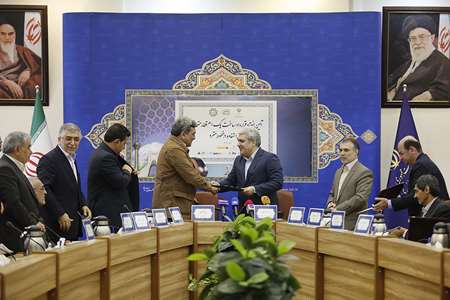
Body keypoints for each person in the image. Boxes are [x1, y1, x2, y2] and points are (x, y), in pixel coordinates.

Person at [152, 117, 219, 220]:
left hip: (174, 205)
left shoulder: (174, 146)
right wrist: (209, 187)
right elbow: (190, 175)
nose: (194, 138)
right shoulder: (174, 149)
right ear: (183, 134)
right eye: (193, 134)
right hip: (171, 206)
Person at [37, 123, 92, 241]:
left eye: (76, 139)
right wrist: (60, 213)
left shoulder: (71, 158)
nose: (72, 143)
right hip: (56, 224)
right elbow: (45, 190)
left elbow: (74, 186)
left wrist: (83, 204)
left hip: (72, 222)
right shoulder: (48, 160)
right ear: (59, 139)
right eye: (68, 138)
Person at [374, 136, 449, 217]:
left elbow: (416, 196)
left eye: (401, 153)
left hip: (436, 216)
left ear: (412, 150)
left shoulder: (421, 165)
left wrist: (389, 203)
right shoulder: (422, 162)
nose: (400, 158)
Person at [88, 124, 139, 229]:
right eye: (124, 144)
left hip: (111, 213)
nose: (124, 147)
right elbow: (121, 182)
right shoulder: (105, 157)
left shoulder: (105, 153)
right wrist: (126, 171)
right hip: (108, 215)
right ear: (116, 141)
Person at [216, 128, 283, 208]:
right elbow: (231, 180)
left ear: (253, 142)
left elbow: (277, 182)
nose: (238, 144)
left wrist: (254, 189)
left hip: (263, 209)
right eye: (238, 141)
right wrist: (218, 185)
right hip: (243, 210)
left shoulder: (270, 158)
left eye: (242, 141)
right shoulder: (238, 160)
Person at [387, 15, 449, 102]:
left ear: (432, 38)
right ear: (409, 41)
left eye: (422, 37)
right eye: (413, 38)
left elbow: (443, 90)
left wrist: (422, 99)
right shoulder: (409, 63)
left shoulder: (443, 63)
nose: (418, 42)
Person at [0, 131, 44, 252]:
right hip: (17, 235)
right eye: (29, 147)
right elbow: (13, 203)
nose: (31, 152)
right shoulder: (5, 168)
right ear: (17, 149)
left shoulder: (14, 167)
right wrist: (32, 225)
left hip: (27, 233)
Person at [325, 137, 374, 230]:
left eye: (346, 150)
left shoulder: (364, 172)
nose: (342, 153)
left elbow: (360, 198)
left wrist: (338, 209)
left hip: (353, 224)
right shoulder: (338, 172)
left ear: (356, 152)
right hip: (335, 221)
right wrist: (330, 203)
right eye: (340, 150)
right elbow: (332, 193)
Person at [0, 21, 41, 99]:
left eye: (10, 34)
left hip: (22, 83)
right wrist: (6, 82)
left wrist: (28, 71)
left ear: (15, 35)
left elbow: (39, 65)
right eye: (3, 34)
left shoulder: (22, 50)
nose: (7, 38)